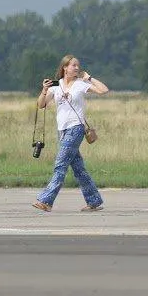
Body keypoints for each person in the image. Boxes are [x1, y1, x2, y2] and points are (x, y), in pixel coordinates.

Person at [32, 55, 109, 212]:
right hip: (63, 129)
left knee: (60, 165)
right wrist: (44, 90)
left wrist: (90, 78)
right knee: (79, 169)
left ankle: (46, 201)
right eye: (73, 65)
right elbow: (41, 105)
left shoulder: (80, 84)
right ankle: (94, 200)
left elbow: (103, 90)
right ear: (64, 68)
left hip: (76, 128)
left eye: (77, 66)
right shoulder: (56, 86)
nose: (76, 68)